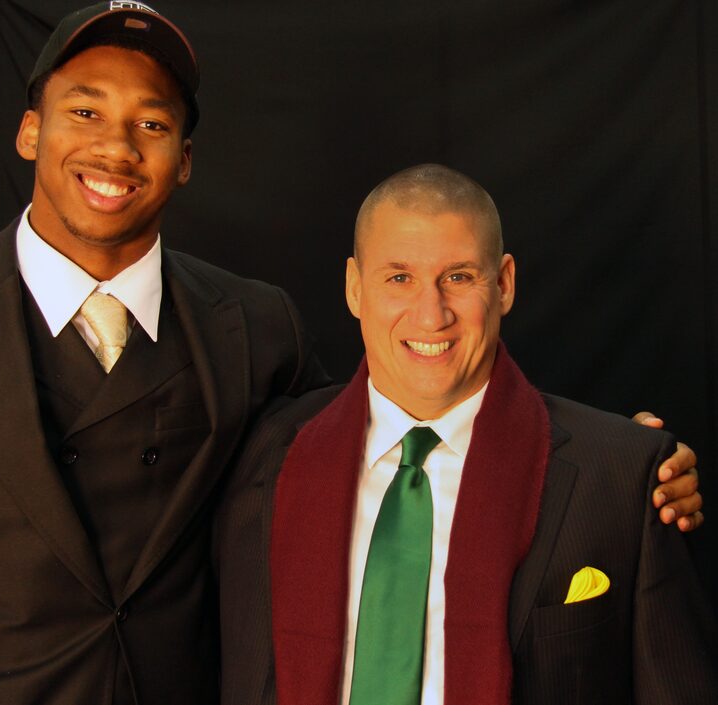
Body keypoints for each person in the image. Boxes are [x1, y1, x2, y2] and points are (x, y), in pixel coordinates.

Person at [0, 3, 329, 704]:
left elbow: (330, 522)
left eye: (151, 124)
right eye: (85, 113)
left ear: (183, 161)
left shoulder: (259, 327)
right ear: (31, 131)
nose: (117, 148)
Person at [216, 164, 716, 705]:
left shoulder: (624, 477)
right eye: (399, 278)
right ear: (355, 288)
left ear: (503, 284)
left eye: (458, 277)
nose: (431, 316)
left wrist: (636, 462)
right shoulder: (261, 454)